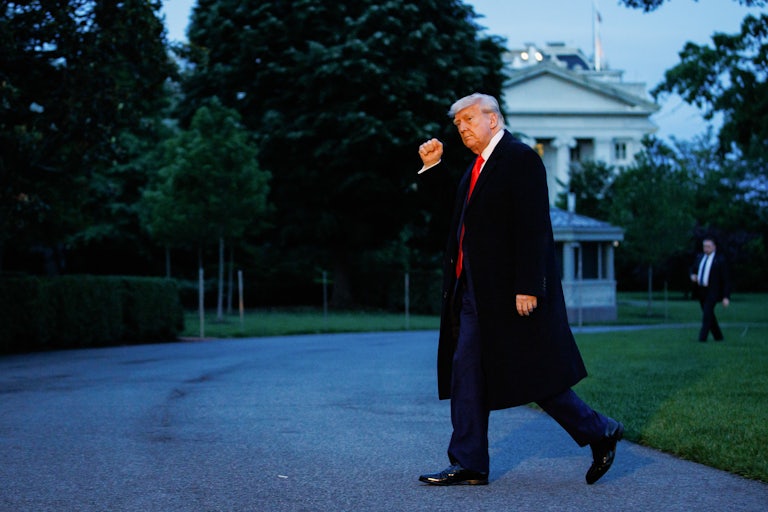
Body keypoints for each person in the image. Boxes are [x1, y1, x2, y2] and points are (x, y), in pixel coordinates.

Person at [416, 93, 623, 486]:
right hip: (473, 292)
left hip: (508, 293)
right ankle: (469, 462)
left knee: (534, 376)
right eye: (457, 123)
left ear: (493, 119)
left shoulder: (519, 158)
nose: (461, 128)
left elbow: (534, 229)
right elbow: (455, 218)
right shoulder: (477, 167)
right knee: (467, 373)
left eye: (468, 119)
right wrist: (433, 167)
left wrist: (528, 285)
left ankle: (600, 430)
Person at [689, 237, 731, 342]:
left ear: (714, 247)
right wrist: (692, 275)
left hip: (713, 292)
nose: (706, 248)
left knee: (707, 314)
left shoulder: (720, 260)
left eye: (708, 246)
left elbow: (726, 280)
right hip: (701, 290)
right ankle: (718, 337)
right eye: (704, 246)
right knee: (709, 314)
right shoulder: (700, 257)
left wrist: (726, 297)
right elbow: (693, 269)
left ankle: (702, 338)